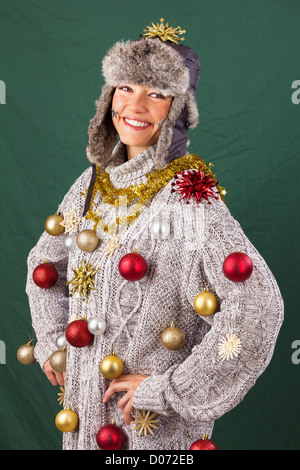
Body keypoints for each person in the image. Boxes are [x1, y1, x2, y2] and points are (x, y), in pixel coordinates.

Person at [26, 20, 284, 450]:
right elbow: (45, 267)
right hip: (83, 425)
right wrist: (56, 341)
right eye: (126, 86)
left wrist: (172, 389)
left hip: (154, 438)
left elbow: (257, 308)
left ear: (178, 109)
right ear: (109, 96)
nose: (136, 104)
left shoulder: (191, 198)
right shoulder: (91, 185)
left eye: (157, 93)